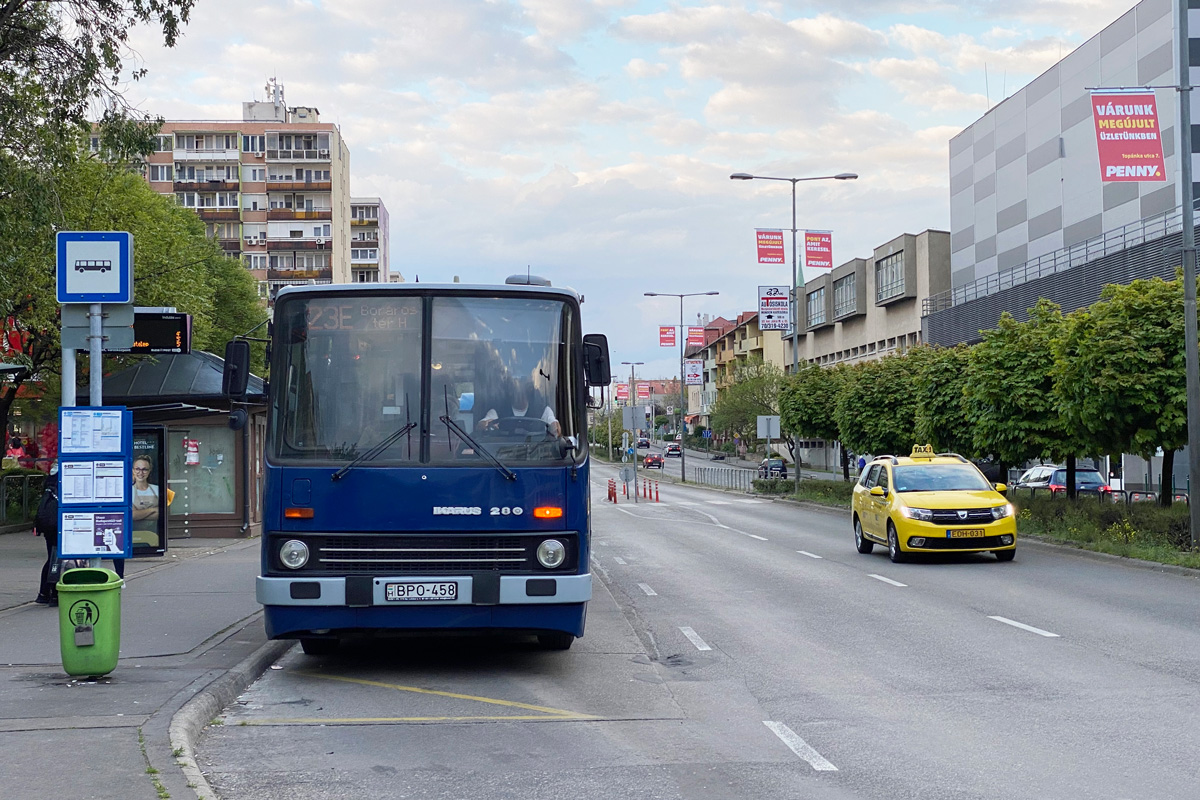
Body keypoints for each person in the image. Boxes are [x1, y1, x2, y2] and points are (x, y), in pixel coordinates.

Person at [480, 378, 560, 436]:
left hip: (536, 451)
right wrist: (485, 425)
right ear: (511, 394)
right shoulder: (498, 411)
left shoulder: (543, 410)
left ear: (528, 394)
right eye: (516, 392)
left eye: (522, 392)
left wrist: (554, 427)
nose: (520, 396)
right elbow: (482, 425)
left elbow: (555, 427)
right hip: (499, 453)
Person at [34, 463, 59, 606]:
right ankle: (54, 594)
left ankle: (43, 593)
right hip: (59, 522)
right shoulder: (65, 475)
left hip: (49, 523)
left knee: (51, 557)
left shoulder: (52, 476)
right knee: (57, 558)